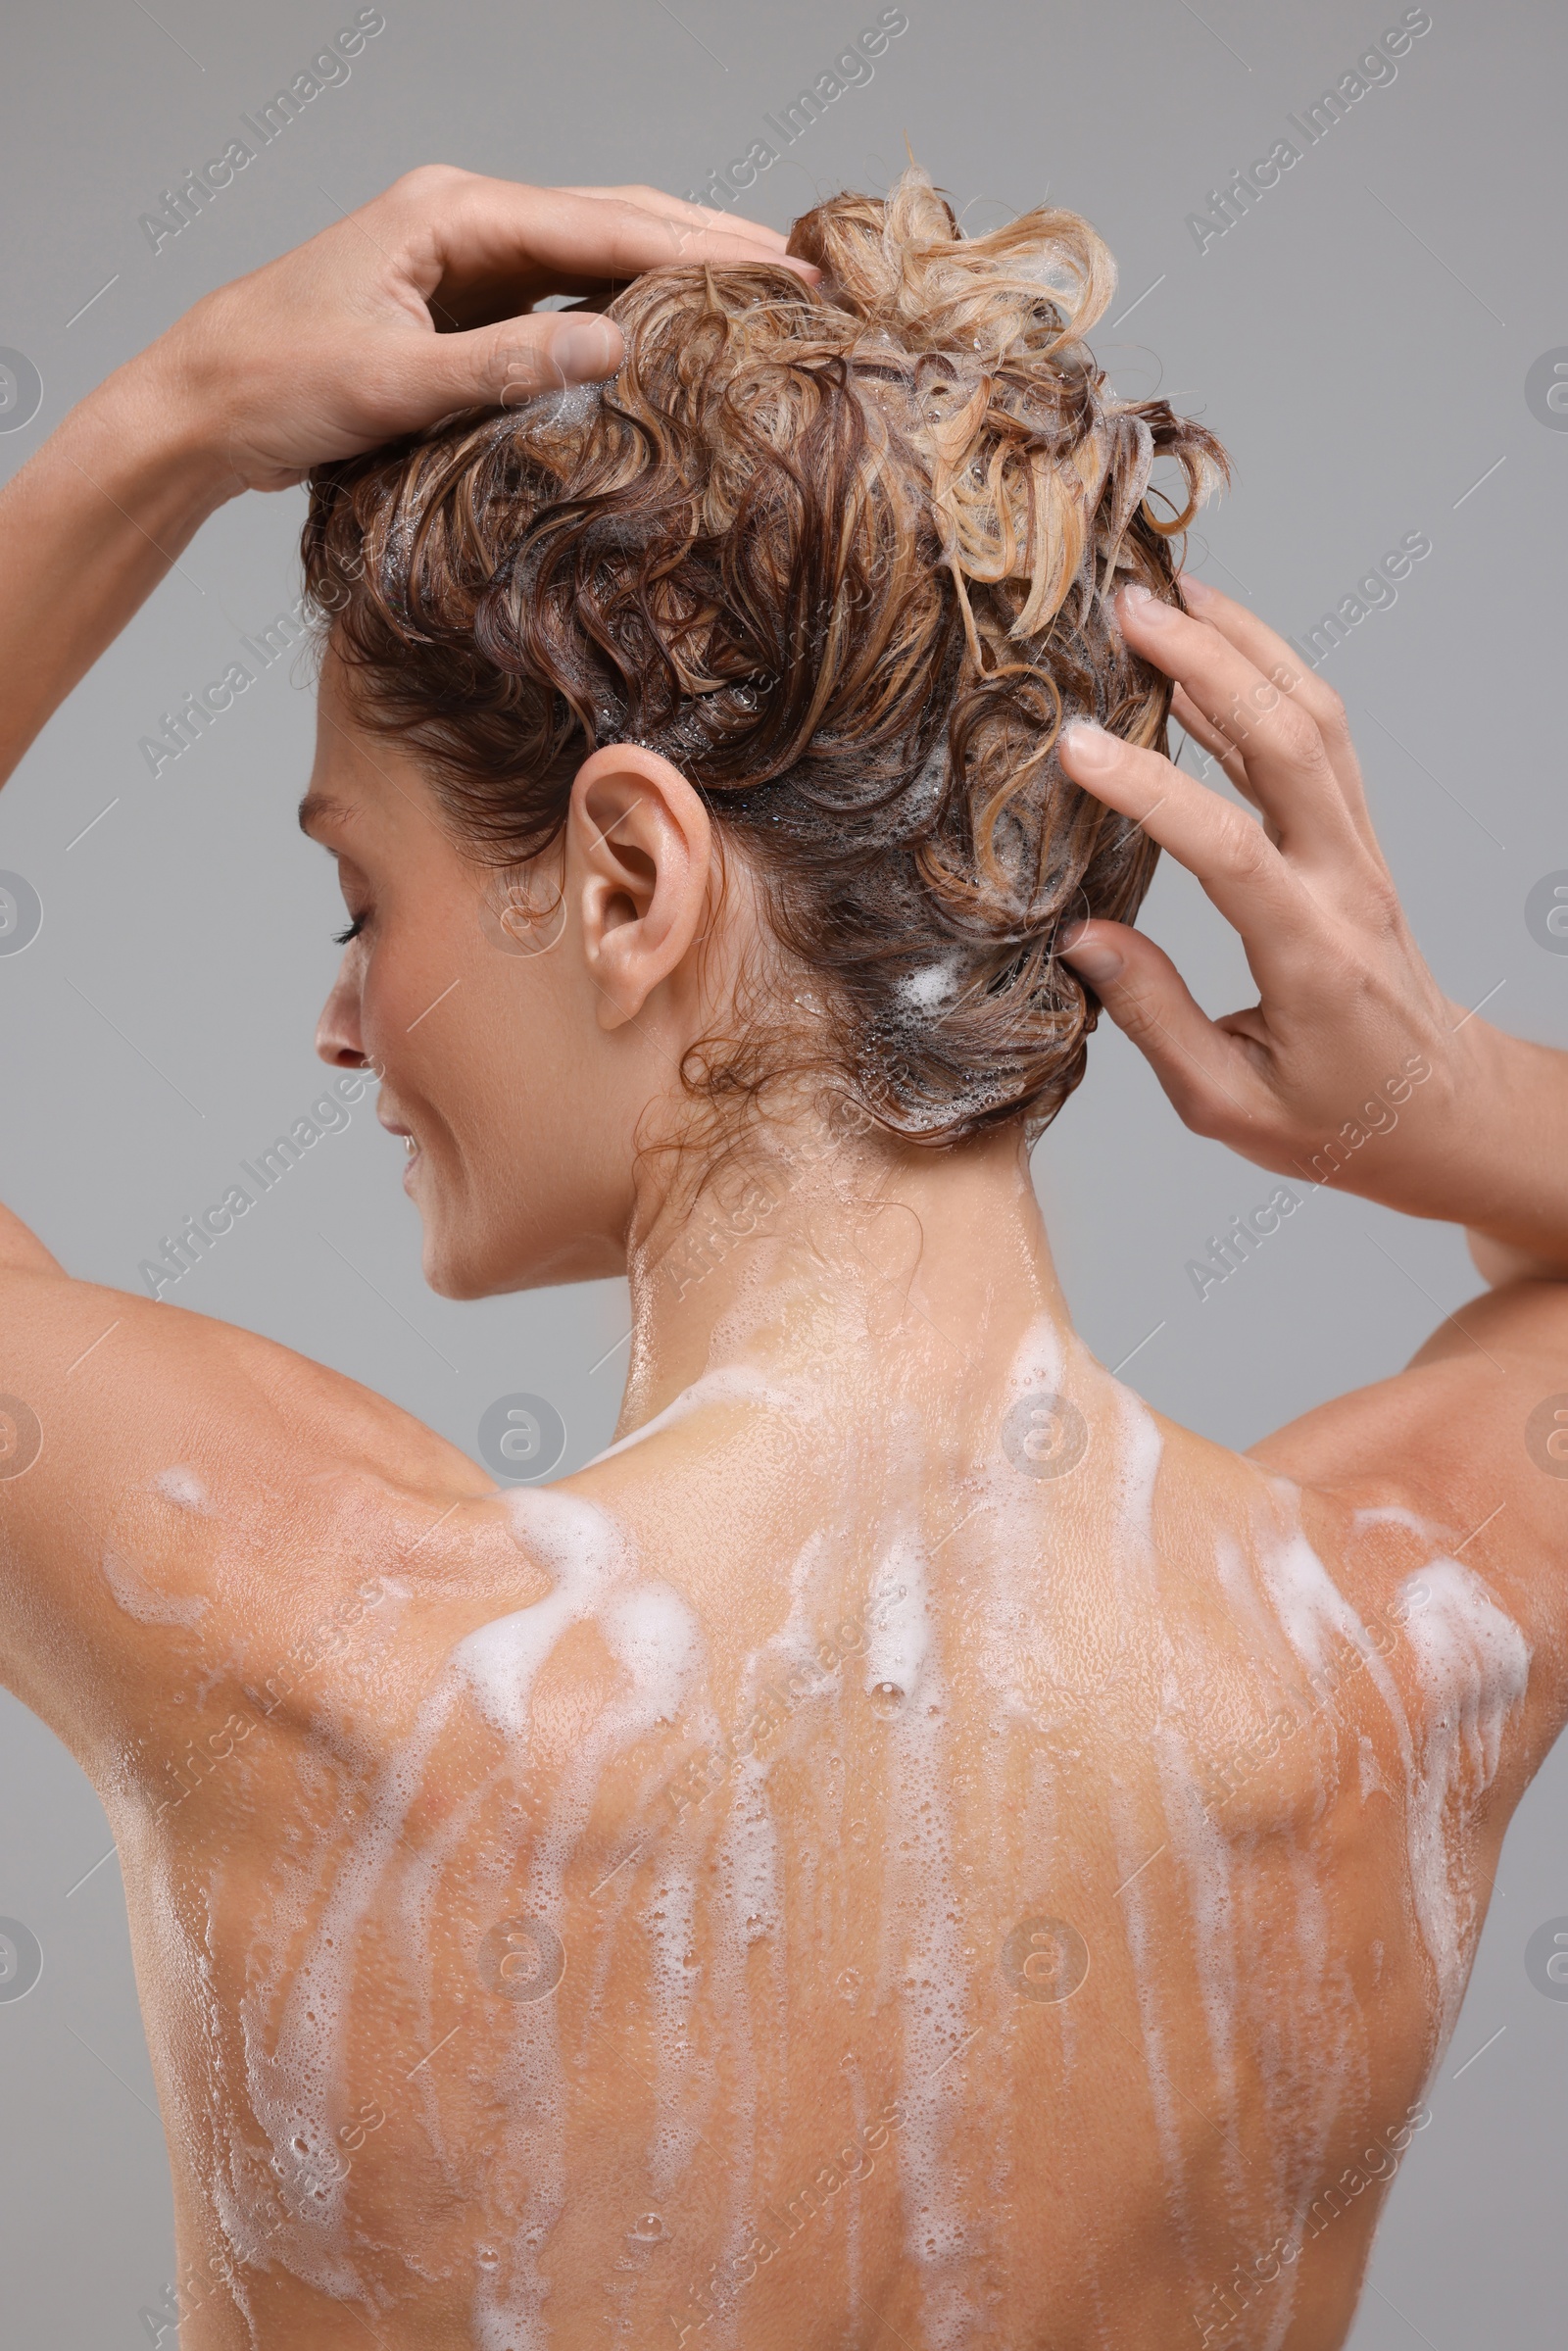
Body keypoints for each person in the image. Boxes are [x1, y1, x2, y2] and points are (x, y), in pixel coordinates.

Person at [0, 162, 1564, 2351]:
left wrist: (166, 413)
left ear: (632, 878)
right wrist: (1450, 1092)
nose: (339, 1018)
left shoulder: (323, 1652)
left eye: (364, 900)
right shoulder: (1377, 1677)